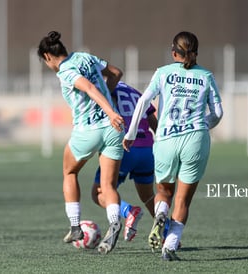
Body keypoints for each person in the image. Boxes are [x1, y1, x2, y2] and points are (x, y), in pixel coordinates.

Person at [123, 31, 223, 261]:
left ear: (173, 52)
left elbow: (143, 101)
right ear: (196, 52)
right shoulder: (206, 76)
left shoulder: (163, 73)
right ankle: (170, 245)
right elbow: (217, 113)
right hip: (195, 140)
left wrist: (130, 133)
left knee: (164, 193)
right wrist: (200, 126)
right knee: (183, 200)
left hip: (166, 138)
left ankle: (160, 214)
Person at [37, 31, 125, 254]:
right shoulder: (86, 57)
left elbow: (89, 88)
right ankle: (114, 221)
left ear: (47, 56)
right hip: (114, 130)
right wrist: (110, 108)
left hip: (89, 130)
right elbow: (116, 73)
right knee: (108, 186)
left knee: (69, 171)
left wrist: (106, 109)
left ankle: (75, 226)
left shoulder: (65, 70)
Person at [92, 81, 157, 242]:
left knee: (99, 192)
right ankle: (168, 232)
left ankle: (128, 211)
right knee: (149, 197)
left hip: (123, 147)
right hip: (147, 149)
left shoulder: (104, 90)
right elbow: (152, 119)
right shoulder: (135, 92)